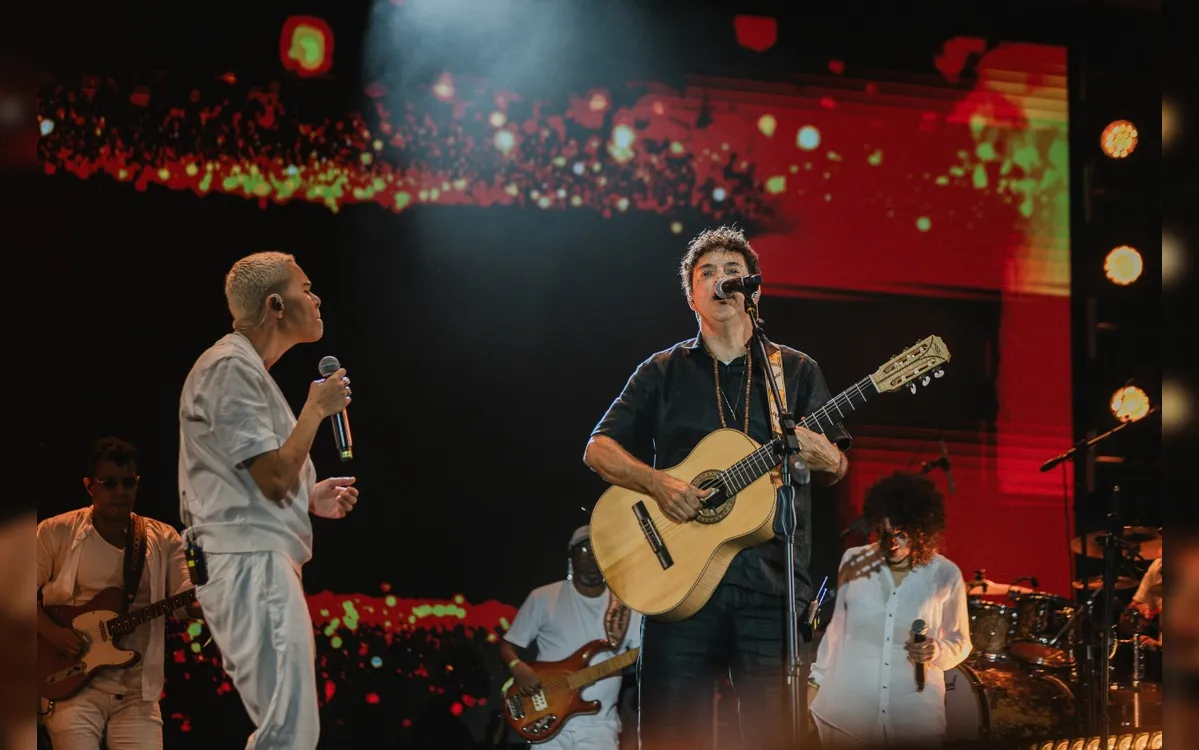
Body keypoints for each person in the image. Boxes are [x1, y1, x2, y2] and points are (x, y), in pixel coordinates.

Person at [582, 226, 851, 750]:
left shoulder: (793, 371)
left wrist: (828, 457)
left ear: (754, 291)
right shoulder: (663, 371)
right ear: (691, 296)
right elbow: (598, 449)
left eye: (734, 272)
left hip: (771, 587)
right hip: (679, 586)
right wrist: (658, 484)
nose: (722, 281)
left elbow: (837, 465)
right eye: (708, 273)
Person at [178, 251, 359, 750]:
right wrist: (315, 411)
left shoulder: (247, 371)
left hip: (256, 557)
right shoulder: (228, 368)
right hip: (248, 560)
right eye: (306, 288)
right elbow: (274, 479)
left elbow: (273, 482)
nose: (317, 297)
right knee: (290, 732)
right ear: (275, 305)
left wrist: (309, 496)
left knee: (288, 728)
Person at [36, 437, 198, 750]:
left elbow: (186, 597)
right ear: (89, 486)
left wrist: (214, 602)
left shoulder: (163, 538)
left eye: (128, 483)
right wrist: (55, 634)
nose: (120, 492)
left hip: (138, 692)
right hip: (71, 687)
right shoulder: (56, 531)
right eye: (109, 483)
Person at [808, 472, 971, 748]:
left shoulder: (946, 574)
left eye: (901, 534)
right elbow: (837, 630)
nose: (892, 543)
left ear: (921, 531)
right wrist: (815, 681)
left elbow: (961, 641)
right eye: (884, 533)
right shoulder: (853, 560)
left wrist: (937, 650)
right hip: (849, 711)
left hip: (914, 716)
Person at [500, 525, 643, 750]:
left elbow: (641, 655)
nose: (591, 559)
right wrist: (518, 667)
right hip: (548, 718)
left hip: (599, 725)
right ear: (572, 557)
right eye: (584, 551)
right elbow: (508, 646)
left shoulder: (626, 606)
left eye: (598, 552)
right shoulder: (543, 597)